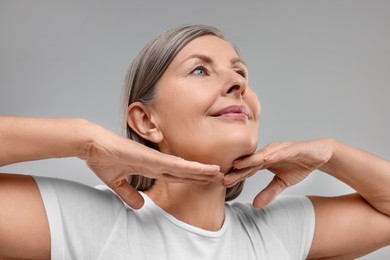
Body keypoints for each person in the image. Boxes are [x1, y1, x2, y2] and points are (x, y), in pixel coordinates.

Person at [0, 24, 389, 260]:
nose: (238, 83)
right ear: (146, 120)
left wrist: (330, 154)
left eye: (241, 73)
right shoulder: (87, 223)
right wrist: (83, 140)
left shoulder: (274, 234)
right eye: (200, 70)